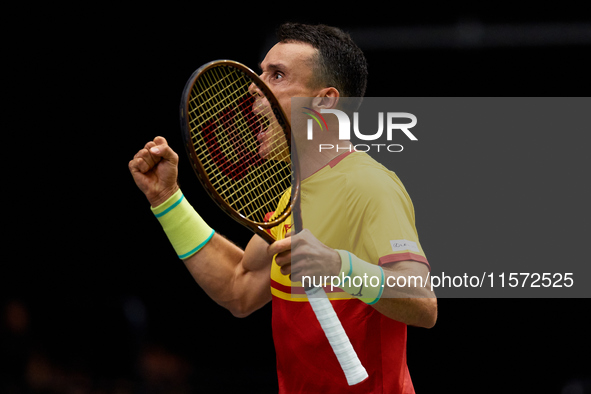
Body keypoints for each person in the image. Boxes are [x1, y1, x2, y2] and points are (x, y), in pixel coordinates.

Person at [129, 23, 437, 393]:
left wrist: (339, 266)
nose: (253, 88)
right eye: (261, 72)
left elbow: (422, 302)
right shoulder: (291, 197)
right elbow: (238, 288)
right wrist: (167, 200)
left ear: (324, 100)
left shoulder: (368, 185)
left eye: (276, 76)